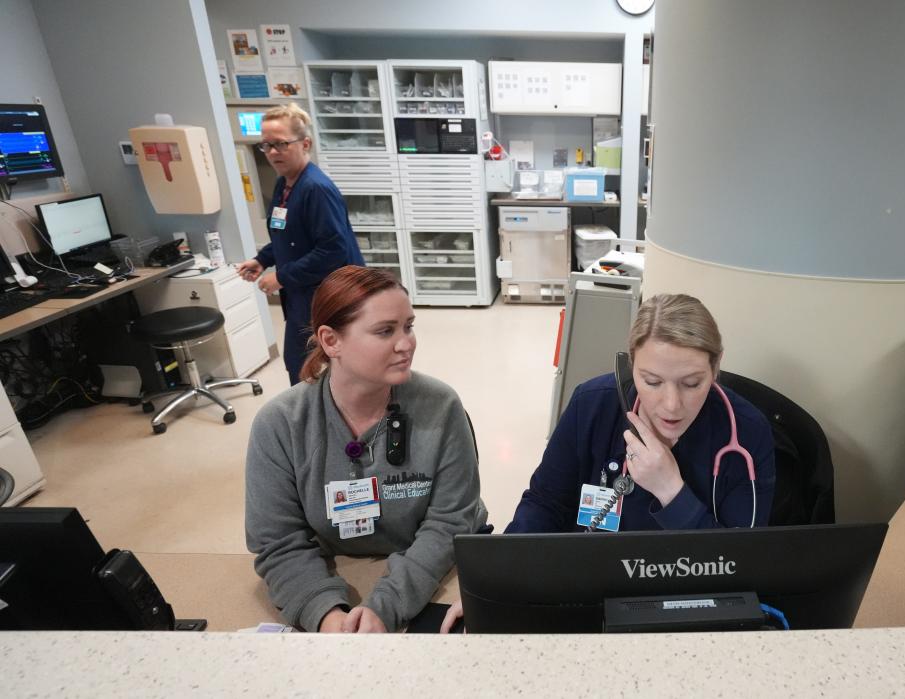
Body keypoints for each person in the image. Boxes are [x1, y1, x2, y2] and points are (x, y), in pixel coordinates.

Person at [440, 293, 776, 632]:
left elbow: (737, 564)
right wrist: (497, 585)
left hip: (692, 610)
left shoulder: (747, 433)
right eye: (652, 381)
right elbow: (546, 503)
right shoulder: (592, 406)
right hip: (592, 597)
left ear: (715, 368)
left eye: (692, 383)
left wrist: (671, 491)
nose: (671, 405)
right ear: (631, 365)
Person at [246, 266, 488, 634]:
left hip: (432, 571)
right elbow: (279, 542)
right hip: (335, 571)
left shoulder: (441, 407)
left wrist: (384, 608)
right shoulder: (280, 425)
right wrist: (325, 614)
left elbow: (449, 523)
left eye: (409, 326)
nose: (406, 343)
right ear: (330, 341)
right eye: (385, 331)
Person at [236, 104, 364, 386]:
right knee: (301, 365)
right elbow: (288, 235)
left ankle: (328, 423)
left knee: (321, 367)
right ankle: (312, 419)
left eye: (280, 144)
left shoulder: (315, 189)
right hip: (302, 294)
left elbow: (333, 250)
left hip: (327, 294)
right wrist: (262, 259)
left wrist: (281, 277)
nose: (271, 152)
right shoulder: (285, 185)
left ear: (305, 143)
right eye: (266, 145)